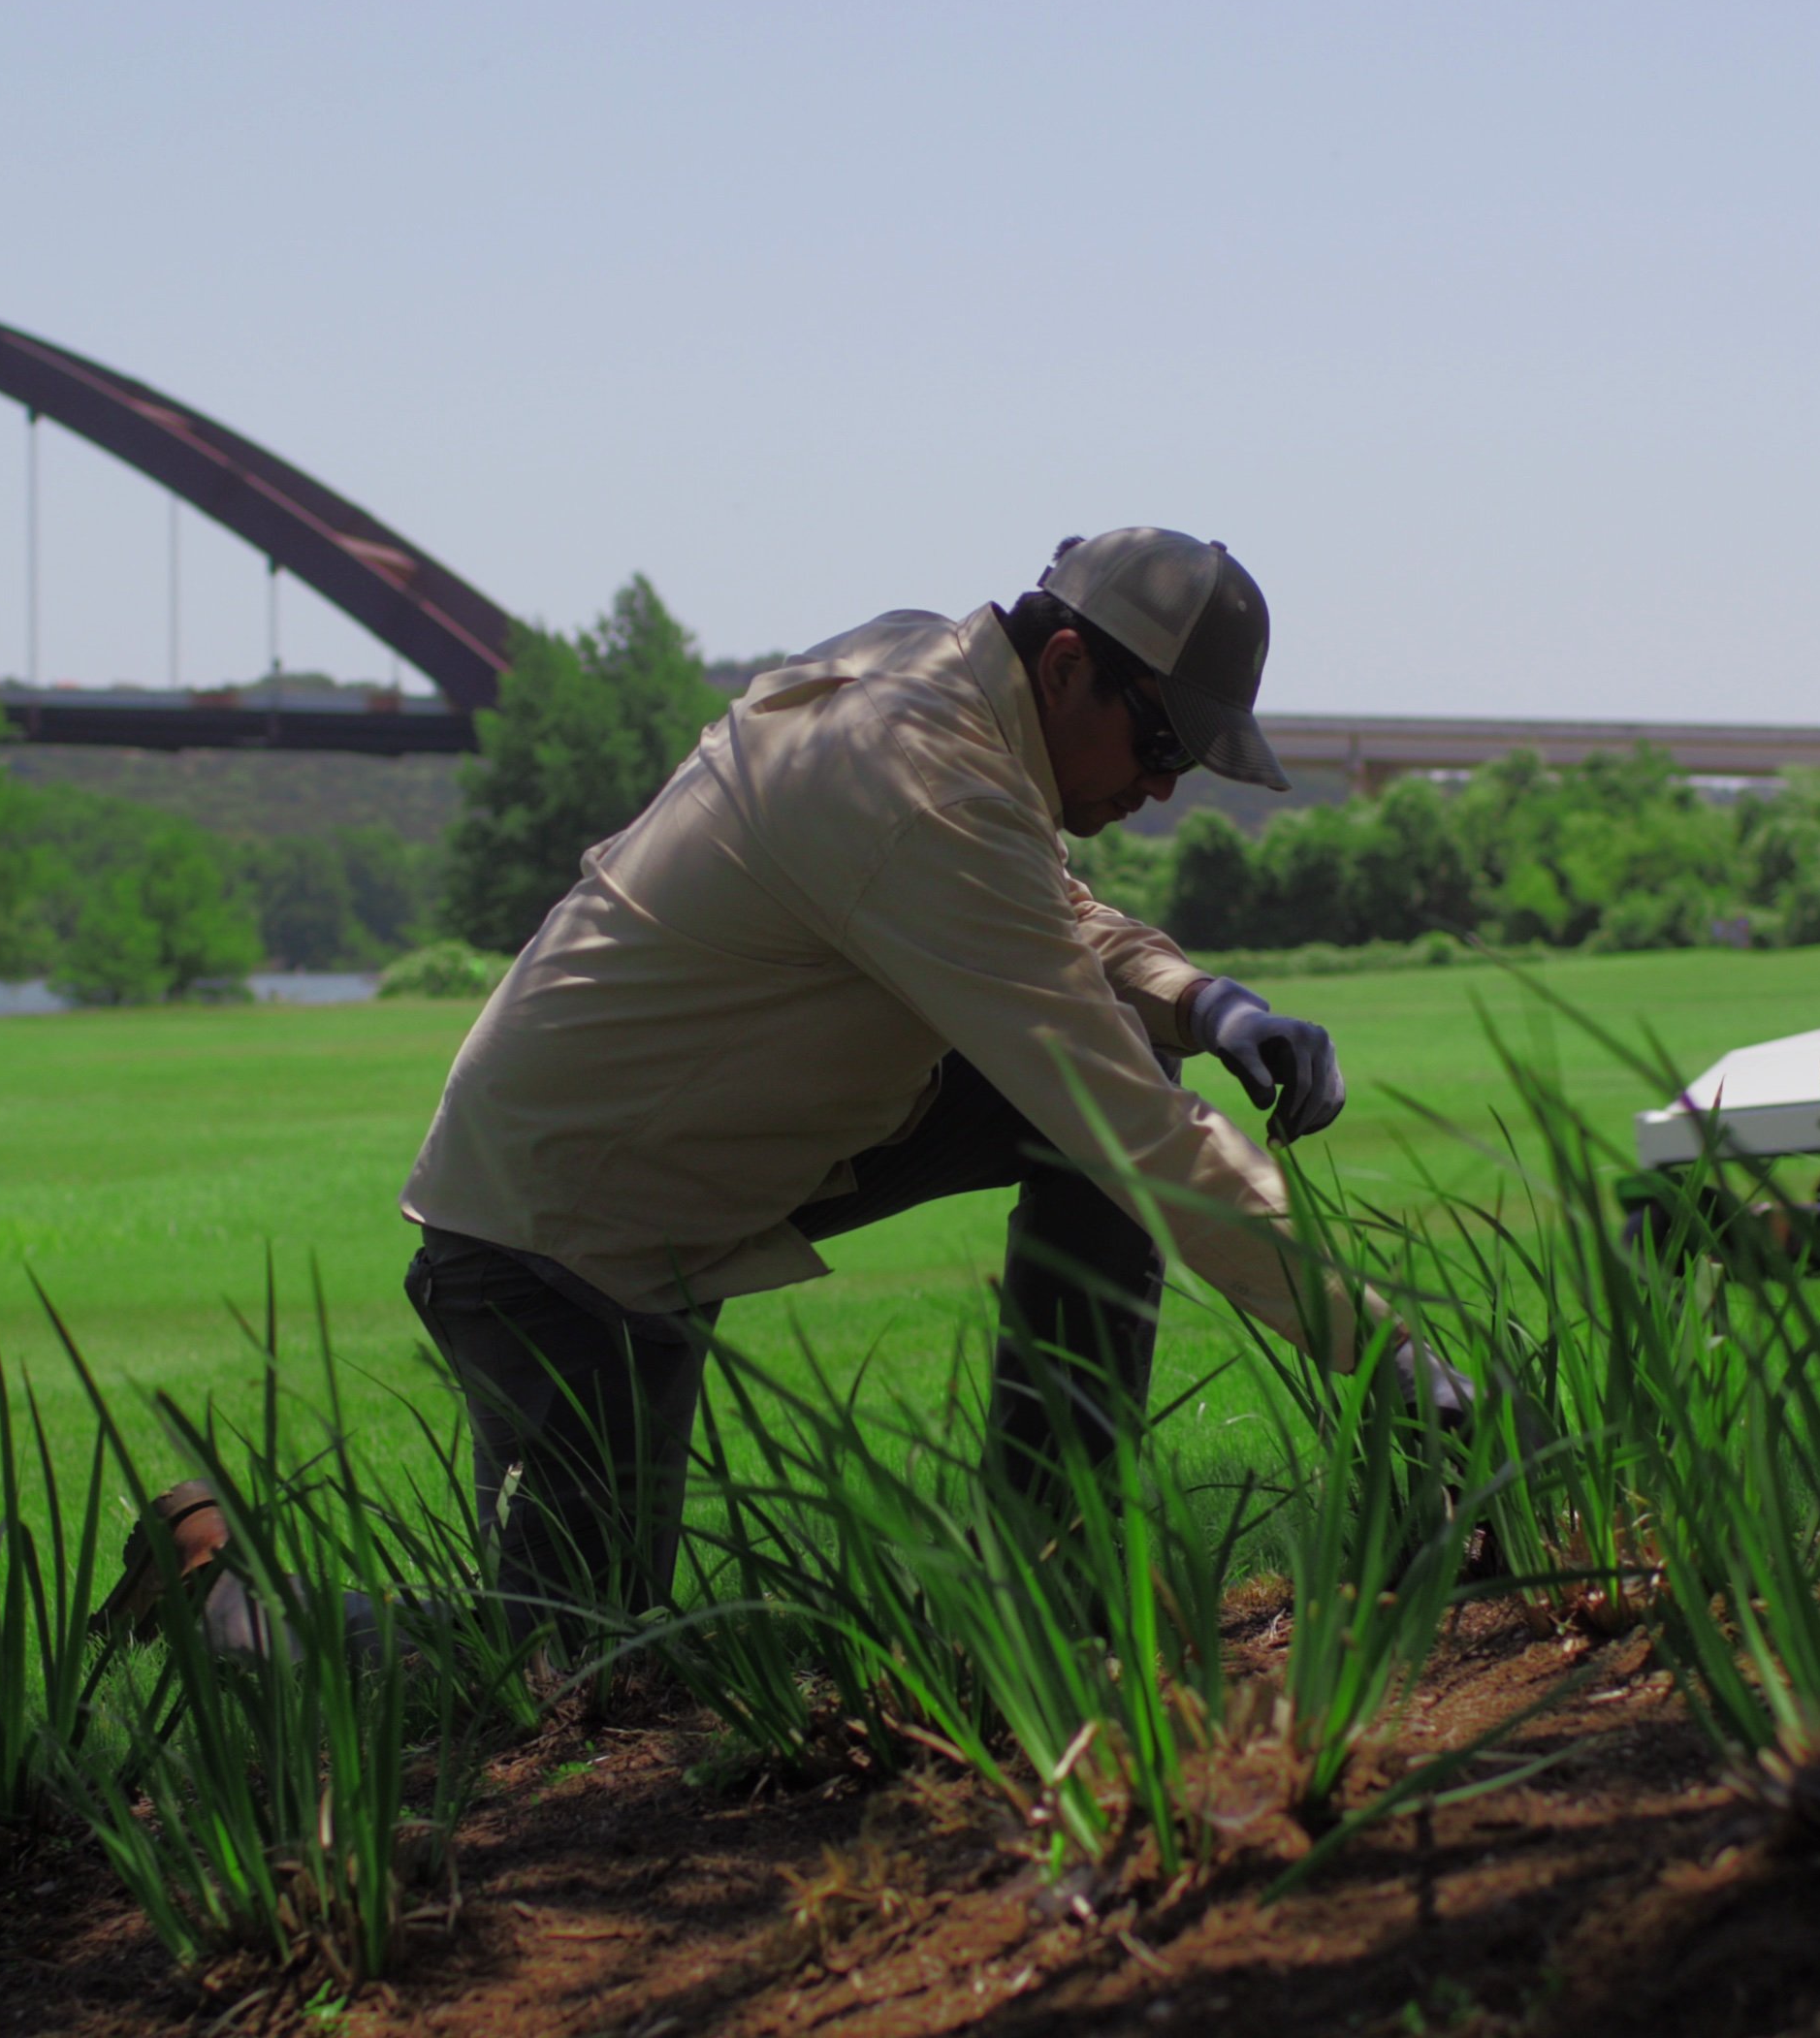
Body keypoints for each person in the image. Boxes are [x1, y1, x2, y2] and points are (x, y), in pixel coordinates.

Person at [399, 527, 1413, 1631]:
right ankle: (216, 1594)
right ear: (1069, 666)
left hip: (700, 1149)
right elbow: (1131, 1125)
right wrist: (1395, 1366)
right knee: (555, 1653)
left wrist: (1207, 1000)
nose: (1164, 787)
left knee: (1131, 1051)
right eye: (1162, 740)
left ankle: (1054, 1560)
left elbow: (1049, 906)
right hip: (563, 1223)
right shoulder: (917, 774)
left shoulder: (933, 686)